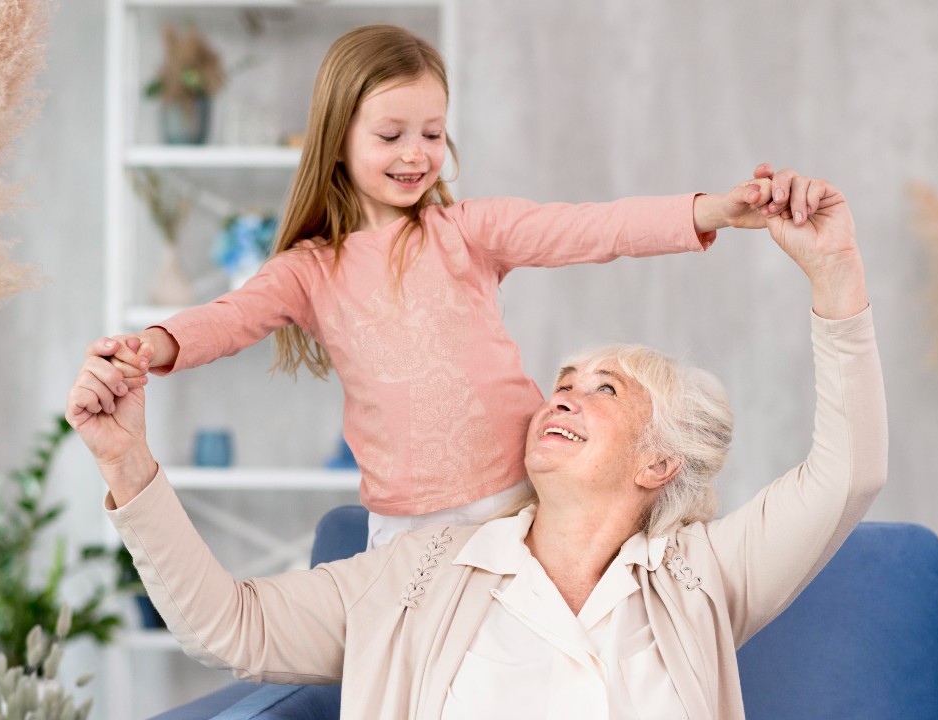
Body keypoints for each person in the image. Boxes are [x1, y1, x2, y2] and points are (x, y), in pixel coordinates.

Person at [68, 171, 886, 718]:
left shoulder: (702, 577)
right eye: (563, 379)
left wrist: (835, 274)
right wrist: (127, 465)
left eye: (606, 388)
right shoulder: (417, 575)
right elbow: (228, 627)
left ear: (658, 463)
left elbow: (849, 473)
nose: (564, 392)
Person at [93, 24, 790, 547]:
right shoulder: (310, 270)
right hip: (404, 525)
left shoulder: (467, 231)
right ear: (338, 139)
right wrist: (155, 344)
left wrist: (713, 211)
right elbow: (231, 317)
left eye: (431, 133)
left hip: (519, 501)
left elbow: (592, 228)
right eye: (390, 134)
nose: (415, 154)